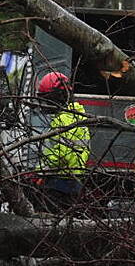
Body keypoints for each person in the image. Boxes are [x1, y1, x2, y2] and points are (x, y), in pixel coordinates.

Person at [31, 71, 90, 213]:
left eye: (46, 99)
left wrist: (39, 172)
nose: (44, 104)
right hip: (74, 180)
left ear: (56, 98)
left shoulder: (64, 120)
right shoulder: (77, 115)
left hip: (59, 183)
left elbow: (61, 154)